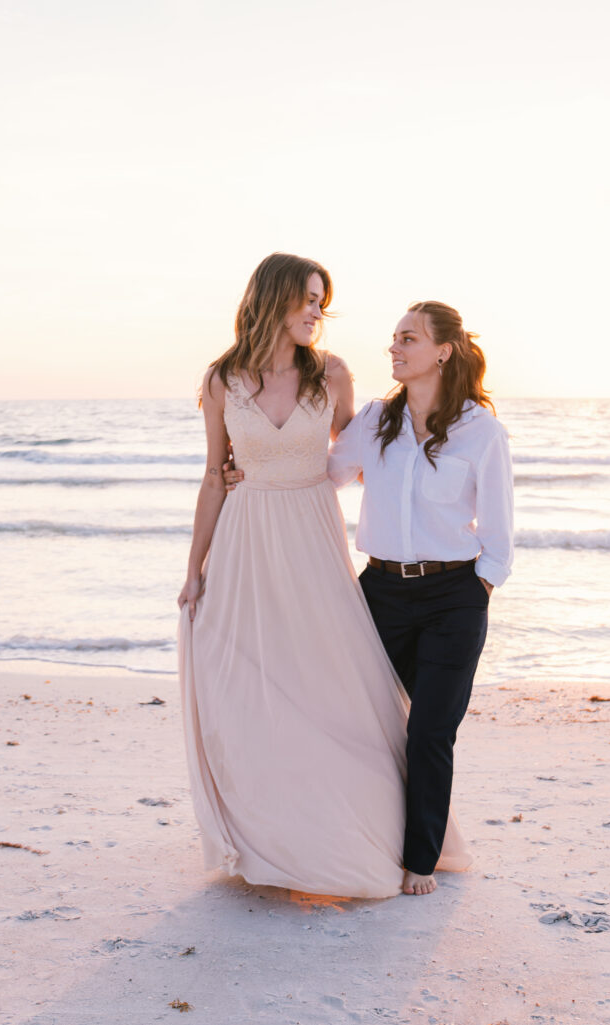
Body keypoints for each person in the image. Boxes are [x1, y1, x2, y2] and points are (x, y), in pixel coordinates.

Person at [177, 254, 470, 899]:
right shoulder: (222, 378)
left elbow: (365, 456)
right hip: (244, 544)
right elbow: (210, 475)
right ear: (275, 298)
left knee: (332, 691)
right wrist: (194, 569)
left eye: (321, 302)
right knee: (250, 693)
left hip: (311, 540)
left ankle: (368, 833)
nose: (317, 312)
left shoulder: (331, 375)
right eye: (308, 299)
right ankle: (267, 840)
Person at [327, 300, 514, 896]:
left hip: (452, 598)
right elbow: (327, 474)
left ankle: (420, 861)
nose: (395, 347)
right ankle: (358, 841)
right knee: (361, 722)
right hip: (379, 591)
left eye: (408, 338)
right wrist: (254, 467)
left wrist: (480, 586)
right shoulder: (379, 418)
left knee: (430, 732)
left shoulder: (480, 429)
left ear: (443, 350)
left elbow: (500, 527)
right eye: (393, 339)